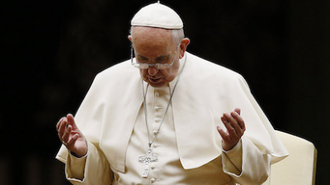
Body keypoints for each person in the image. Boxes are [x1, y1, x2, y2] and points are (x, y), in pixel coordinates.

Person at [56, 2, 288, 185]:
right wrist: (82, 153)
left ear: (182, 47)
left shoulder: (225, 82)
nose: (152, 72)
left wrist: (235, 148)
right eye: (142, 60)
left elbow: (258, 177)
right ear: (132, 44)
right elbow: (101, 180)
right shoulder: (108, 82)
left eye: (161, 60)